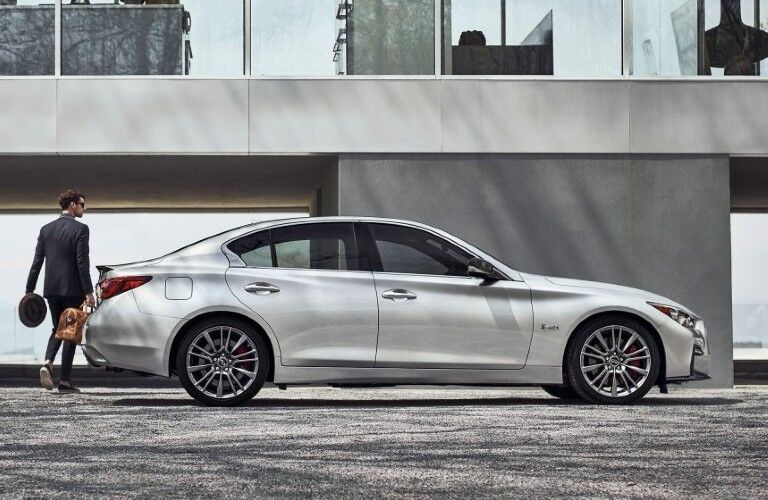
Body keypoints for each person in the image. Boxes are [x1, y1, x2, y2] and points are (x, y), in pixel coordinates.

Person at [25, 190, 96, 393]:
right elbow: (82, 262)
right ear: (73, 205)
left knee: (58, 328)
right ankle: (65, 381)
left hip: (51, 289)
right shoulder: (81, 229)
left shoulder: (46, 229)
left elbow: (37, 262)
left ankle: (47, 361)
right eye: (82, 204)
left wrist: (29, 290)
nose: (84, 208)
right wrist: (89, 291)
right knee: (71, 332)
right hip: (73, 289)